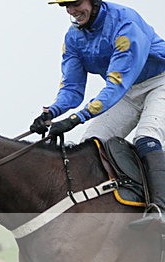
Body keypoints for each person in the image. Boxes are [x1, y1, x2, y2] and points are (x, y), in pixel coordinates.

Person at [30, 0, 165, 228]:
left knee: (146, 137)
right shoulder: (73, 38)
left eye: (75, 3)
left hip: (159, 82)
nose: (72, 11)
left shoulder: (126, 23)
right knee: (90, 145)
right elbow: (72, 89)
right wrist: (51, 112)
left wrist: (74, 119)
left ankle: (160, 210)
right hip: (127, 91)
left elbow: (115, 85)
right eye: (66, 6)